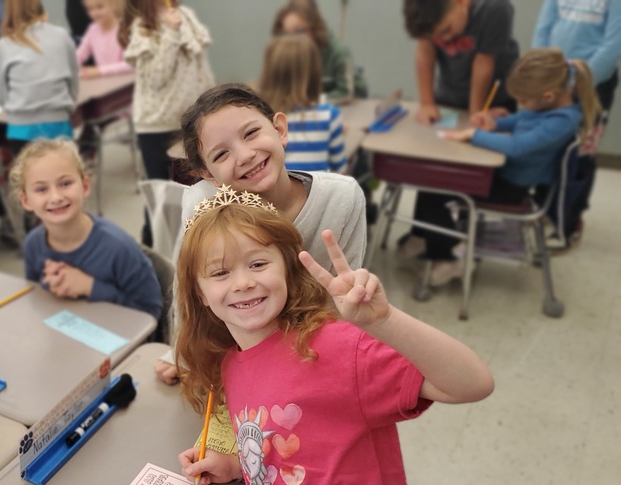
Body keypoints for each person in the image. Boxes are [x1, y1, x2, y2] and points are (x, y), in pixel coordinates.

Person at [173, 189, 494, 485]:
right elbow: (275, 452)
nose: (242, 282)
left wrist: (385, 321)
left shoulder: (336, 348)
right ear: (200, 294)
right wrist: (233, 464)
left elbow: (473, 383)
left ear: (287, 269)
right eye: (220, 272)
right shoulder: (231, 364)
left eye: (257, 264)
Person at [154, 83, 366, 385]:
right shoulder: (203, 202)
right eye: (221, 154)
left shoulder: (342, 198)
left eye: (251, 133)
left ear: (279, 128)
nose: (244, 155)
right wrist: (182, 354)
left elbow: (341, 301)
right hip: (234, 354)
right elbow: (188, 287)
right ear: (208, 175)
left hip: (310, 353)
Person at [405, 48, 601, 284]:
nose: (522, 105)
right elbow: (521, 120)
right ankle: (421, 237)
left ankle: (449, 258)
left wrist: (473, 134)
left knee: (433, 190)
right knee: (431, 178)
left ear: (548, 96)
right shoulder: (551, 108)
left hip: (511, 187)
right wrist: (494, 122)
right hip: (502, 174)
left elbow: (517, 145)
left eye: (524, 101)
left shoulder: (562, 121)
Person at [11, 139, 163, 320]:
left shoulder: (118, 248)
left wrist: (90, 287)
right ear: (26, 201)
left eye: (65, 183)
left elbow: (151, 314)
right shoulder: (33, 245)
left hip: (117, 338)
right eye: (41, 189)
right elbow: (37, 303)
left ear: (85, 186)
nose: (56, 197)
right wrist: (50, 286)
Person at [119, 0, 214, 245]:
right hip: (156, 125)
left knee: (198, 187)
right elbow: (155, 78)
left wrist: (212, 107)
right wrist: (171, 33)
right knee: (160, 193)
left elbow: (200, 68)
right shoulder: (143, 26)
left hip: (190, 121)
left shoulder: (186, 15)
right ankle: (153, 250)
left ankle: (193, 246)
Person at [533, 0, 621, 244]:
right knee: (548, 148)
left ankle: (568, 222)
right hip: (553, 81)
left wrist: (576, 83)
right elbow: (543, 30)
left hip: (594, 86)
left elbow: (613, 45)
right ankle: (541, 211)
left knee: (580, 153)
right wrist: (541, 72)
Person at [403, 0, 519, 127]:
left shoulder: (495, 7)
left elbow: (483, 63)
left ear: (460, 2)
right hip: (450, 97)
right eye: (434, 36)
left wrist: (476, 112)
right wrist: (426, 104)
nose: (444, 39)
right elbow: (425, 52)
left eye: (446, 30)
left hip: (493, 101)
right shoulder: (425, 12)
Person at [0, 0, 79, 156]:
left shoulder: (3, 45)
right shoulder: (61, 36)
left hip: (20, 128)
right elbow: (73, 84)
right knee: (61, 175)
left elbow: (1, 97)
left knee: (27, 179)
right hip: (58, 121)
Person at [257, 33, 346, 172]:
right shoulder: (329, 115)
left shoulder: (259, 117)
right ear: (314, 72)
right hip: (318, 191)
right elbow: (340, 168)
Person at [271, 0, 367, 101]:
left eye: (299, 32)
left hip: (351, 105)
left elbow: (345, 93)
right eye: (286, 34)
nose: (292, 41)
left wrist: (312, 102)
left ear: (315, 28)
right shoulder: (284, 56)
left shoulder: (338, 53)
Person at [75, 0, 132, 78]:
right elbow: (78, 56)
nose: (95, 13)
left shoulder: (124, 28)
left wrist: (99, 71)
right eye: (90, 9)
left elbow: (131, 64)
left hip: (126, 83)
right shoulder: (92, 30)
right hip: (105, 83)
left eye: (100, 7)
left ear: (113, 5)